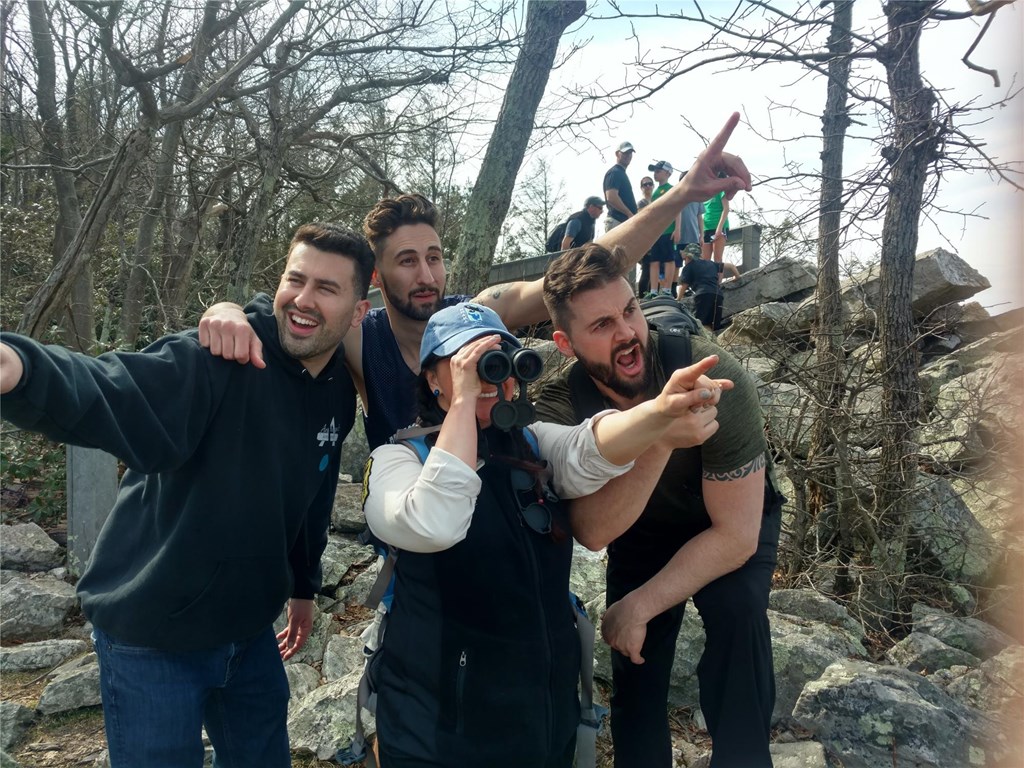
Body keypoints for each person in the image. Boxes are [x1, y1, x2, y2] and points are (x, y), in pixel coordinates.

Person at [0, 223, 375, 768]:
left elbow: (312, 494)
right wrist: (22, 369)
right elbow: (117, 387)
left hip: (247, 637)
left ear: (358, 312)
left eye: (327, 288)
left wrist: (303, 587)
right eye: (295, 279)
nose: (302, 299)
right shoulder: (222, 357)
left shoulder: (339, 390)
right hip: (153, 635)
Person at [199, 112, 752, 452]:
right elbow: (290, 315)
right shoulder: (356, 334)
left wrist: (680, 196)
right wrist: (224, 309)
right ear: (377, 275)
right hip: (412, 522)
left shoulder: (481, 314)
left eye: (434, 257)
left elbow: (591, 264)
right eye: (407, 261)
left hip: (500, 513)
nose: (427, 276)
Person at [361, 301, 730, 768]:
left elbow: (590, 446)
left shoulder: (531, 445)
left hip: (541, 722)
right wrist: (463, 402)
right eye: (471, 364)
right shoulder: (396, 461)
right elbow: (434, 520)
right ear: (433, 379)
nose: (493, 379)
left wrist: (659, 412)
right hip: (438, 735)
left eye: (501, 364)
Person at [535, 243, 783, 768]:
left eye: (629, 310)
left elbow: (737, 536)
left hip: (726, 519)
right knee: (636, 669)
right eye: (601, 325)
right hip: (640, 529)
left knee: (737, 617)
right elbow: (594, 531)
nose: (626, 333)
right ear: (565, 343)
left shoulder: (712, 374)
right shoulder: (559, 404)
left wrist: (640, 605)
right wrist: (662, 440)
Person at [678, 248, 741, 331]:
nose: (684, 262)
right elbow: (731, 266)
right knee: (714, 325)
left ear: (688, 257)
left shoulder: (688, 267)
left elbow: (684, 285)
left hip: (703, 295)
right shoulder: (711, 263)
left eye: (684, 259)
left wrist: (678, 298)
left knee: (701, 324)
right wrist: (737, 276)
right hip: (718, 295)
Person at [644, 160, 679, 297]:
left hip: (669, 229)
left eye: (658, 171)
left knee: (669, 259)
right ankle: (653, 290)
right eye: (655, 171)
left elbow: (677, 208)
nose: (655, 174)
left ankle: (667, 289)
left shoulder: (671, 188)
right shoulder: (655, 192)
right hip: (656, 232)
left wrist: (678, 229)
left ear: (668, 173)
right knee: (654, 261)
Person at [603, 140, 638, 232]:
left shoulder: (620, 173)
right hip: (617, 222)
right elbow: (611, 197)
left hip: (622, 223)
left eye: (630, 153)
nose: (628, 155)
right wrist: (629, 213)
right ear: (617, 154)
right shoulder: (615, 172)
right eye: (625, 153)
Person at [702, 187, 730, 263]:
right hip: (706, 228)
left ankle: (720, 275)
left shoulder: (721, 190)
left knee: (717, 259)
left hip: (718, 227)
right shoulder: (704, 193)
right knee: (705, 260)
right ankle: (708, 275)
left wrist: (719, 228)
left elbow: (726, 209)